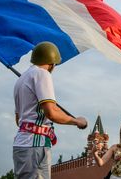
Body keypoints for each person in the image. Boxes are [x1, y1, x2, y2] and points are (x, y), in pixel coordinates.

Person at [13, 41, 88, 179]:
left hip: (22, 142)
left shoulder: (21, 79)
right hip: (34, 143)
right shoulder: (42, 74)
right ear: (52, 63)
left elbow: (18, 120)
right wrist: (76, 121)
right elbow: (52, 113)